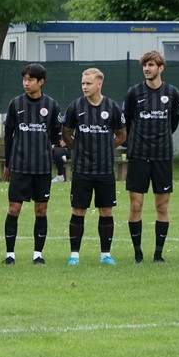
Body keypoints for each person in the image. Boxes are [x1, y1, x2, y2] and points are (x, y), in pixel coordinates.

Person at [122, 50, 179, 263]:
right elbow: (127, 121)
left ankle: (158, 255)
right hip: (138, 155)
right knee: (136, 205)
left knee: (162, 206)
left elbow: (173, 123)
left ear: (161, 68)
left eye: (150, 65)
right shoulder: (134, 92)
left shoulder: (172, 93)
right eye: (144, 65)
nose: (146, 69)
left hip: (162, 156)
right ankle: (138, 254)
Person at [61, 67, 127, 265]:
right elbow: (66, 134)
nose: (84, 87)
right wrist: (79, 148)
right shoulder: (75, 107)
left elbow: (122, 135)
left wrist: (105, 147)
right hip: (82, 169)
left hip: (105, 169)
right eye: (83, 83)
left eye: (88, 83)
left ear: (99, 84)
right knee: (78, 210)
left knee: (106, 211)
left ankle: (105, 255)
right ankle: (74, 255)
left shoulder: (112, 107)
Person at [1, 63, 61, 265]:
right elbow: (8, 136)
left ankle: (37, 255)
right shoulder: (15, 104)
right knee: (14, 209)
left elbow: (56, 136)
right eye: (24, 79)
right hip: (19, 166)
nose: (26, 83)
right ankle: (10, 255)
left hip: (42, 168)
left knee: (41, 210)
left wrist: (49, 149)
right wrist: (7, 164)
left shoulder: (51, 105)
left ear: (41, 82)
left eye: (31, 80)